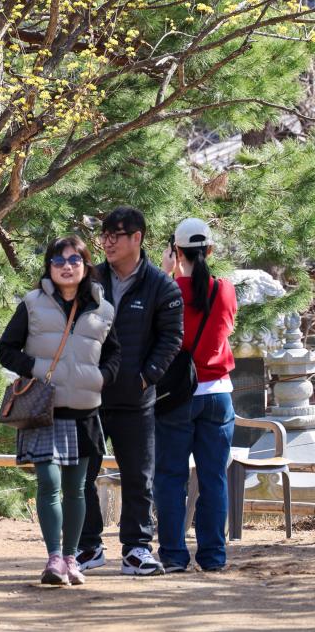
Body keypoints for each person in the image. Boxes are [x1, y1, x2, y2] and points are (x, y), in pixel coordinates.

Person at [0, 235, 121, 586]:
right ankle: (53, 558)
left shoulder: (103, 309)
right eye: (59, 260)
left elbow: (115, 354)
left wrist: (101, 377)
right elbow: (5, 349)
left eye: (74, 260)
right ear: (49, 267)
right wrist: (36, 368)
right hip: (44, 408)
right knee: (49, 483)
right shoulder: (33, 303)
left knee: (78, 488)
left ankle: (72, 559)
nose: (67, 266)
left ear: (86, 265)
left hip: (83, 409)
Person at [76, 206, 183, 576]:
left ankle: (137, 548)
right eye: (103, 235)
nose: (106, 242)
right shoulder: (90, 279)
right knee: (82, 472)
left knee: (138, 475)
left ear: (137, 238)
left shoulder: (161, 285)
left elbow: (171, 338)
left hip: (135, 398)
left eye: (115, 235)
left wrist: (146, 376)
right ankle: (87, 546)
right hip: (89, 395)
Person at [154, 217, 237, 572]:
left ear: (176, 251)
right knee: (213, 479)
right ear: (211, 250)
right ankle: (213, 557)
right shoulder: (226, 290)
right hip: (218, 394)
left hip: (176, 396)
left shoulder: (166, 290)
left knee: (171, 477)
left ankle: (173, 555)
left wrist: (165, 272)